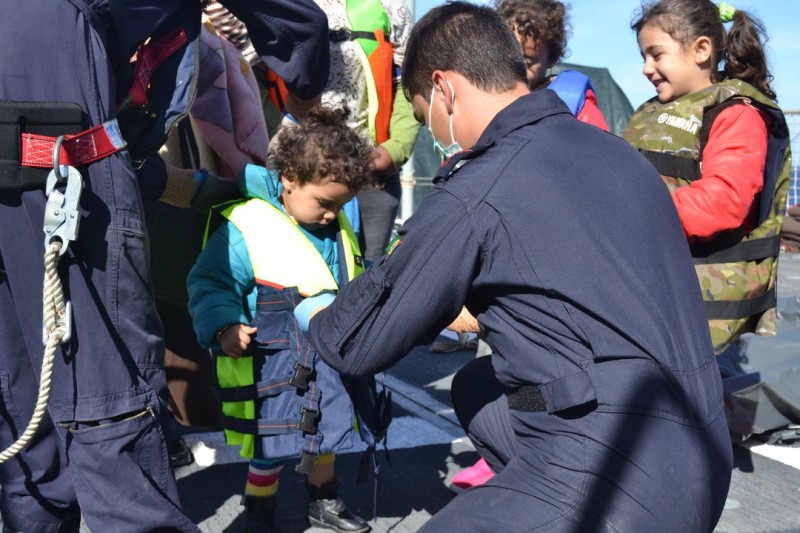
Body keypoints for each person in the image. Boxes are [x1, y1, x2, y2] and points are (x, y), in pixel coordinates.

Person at [303, 3, 733, 530]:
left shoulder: (479, 187)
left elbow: (357, 342)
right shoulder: (616, 153)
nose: (433, 132)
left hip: (620, 478)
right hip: (704, 454)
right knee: (477, 386)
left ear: (445, 89)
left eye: (422, 115)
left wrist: (315, 309)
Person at [0, 0, 328, 530]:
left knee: (23, 426)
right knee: (108, 410)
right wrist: (308, 90)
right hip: (64, 168)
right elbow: (296, 24)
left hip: (48, 163)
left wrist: (180, 185)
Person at [187, 106, 376, 533]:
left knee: (325, 432)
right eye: (325, 204)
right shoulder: (245, 222)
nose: (332, 215)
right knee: (269, 444)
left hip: (324, 354)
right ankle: (259, 509)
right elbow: (210, 282)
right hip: (273, 358)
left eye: (342, 204)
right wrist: (224, 326)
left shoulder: (336, 223)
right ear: (289, 177)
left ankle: (324, 500)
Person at [623, 0, 792, 355]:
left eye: (656, 55)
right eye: (643, 56)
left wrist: (630, 211)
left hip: (698, 300)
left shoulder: (735, 115)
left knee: (704, 400)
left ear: (701, 50)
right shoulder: (650, 111)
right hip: (649, 284)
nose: (645, 68)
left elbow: (725, 202)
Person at [496, 0, 609, 130]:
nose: (516, 68)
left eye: (527, 62)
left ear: (552, 59)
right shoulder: (486, 96)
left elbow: (601, 146)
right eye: (507, 58)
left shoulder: (571, 104)